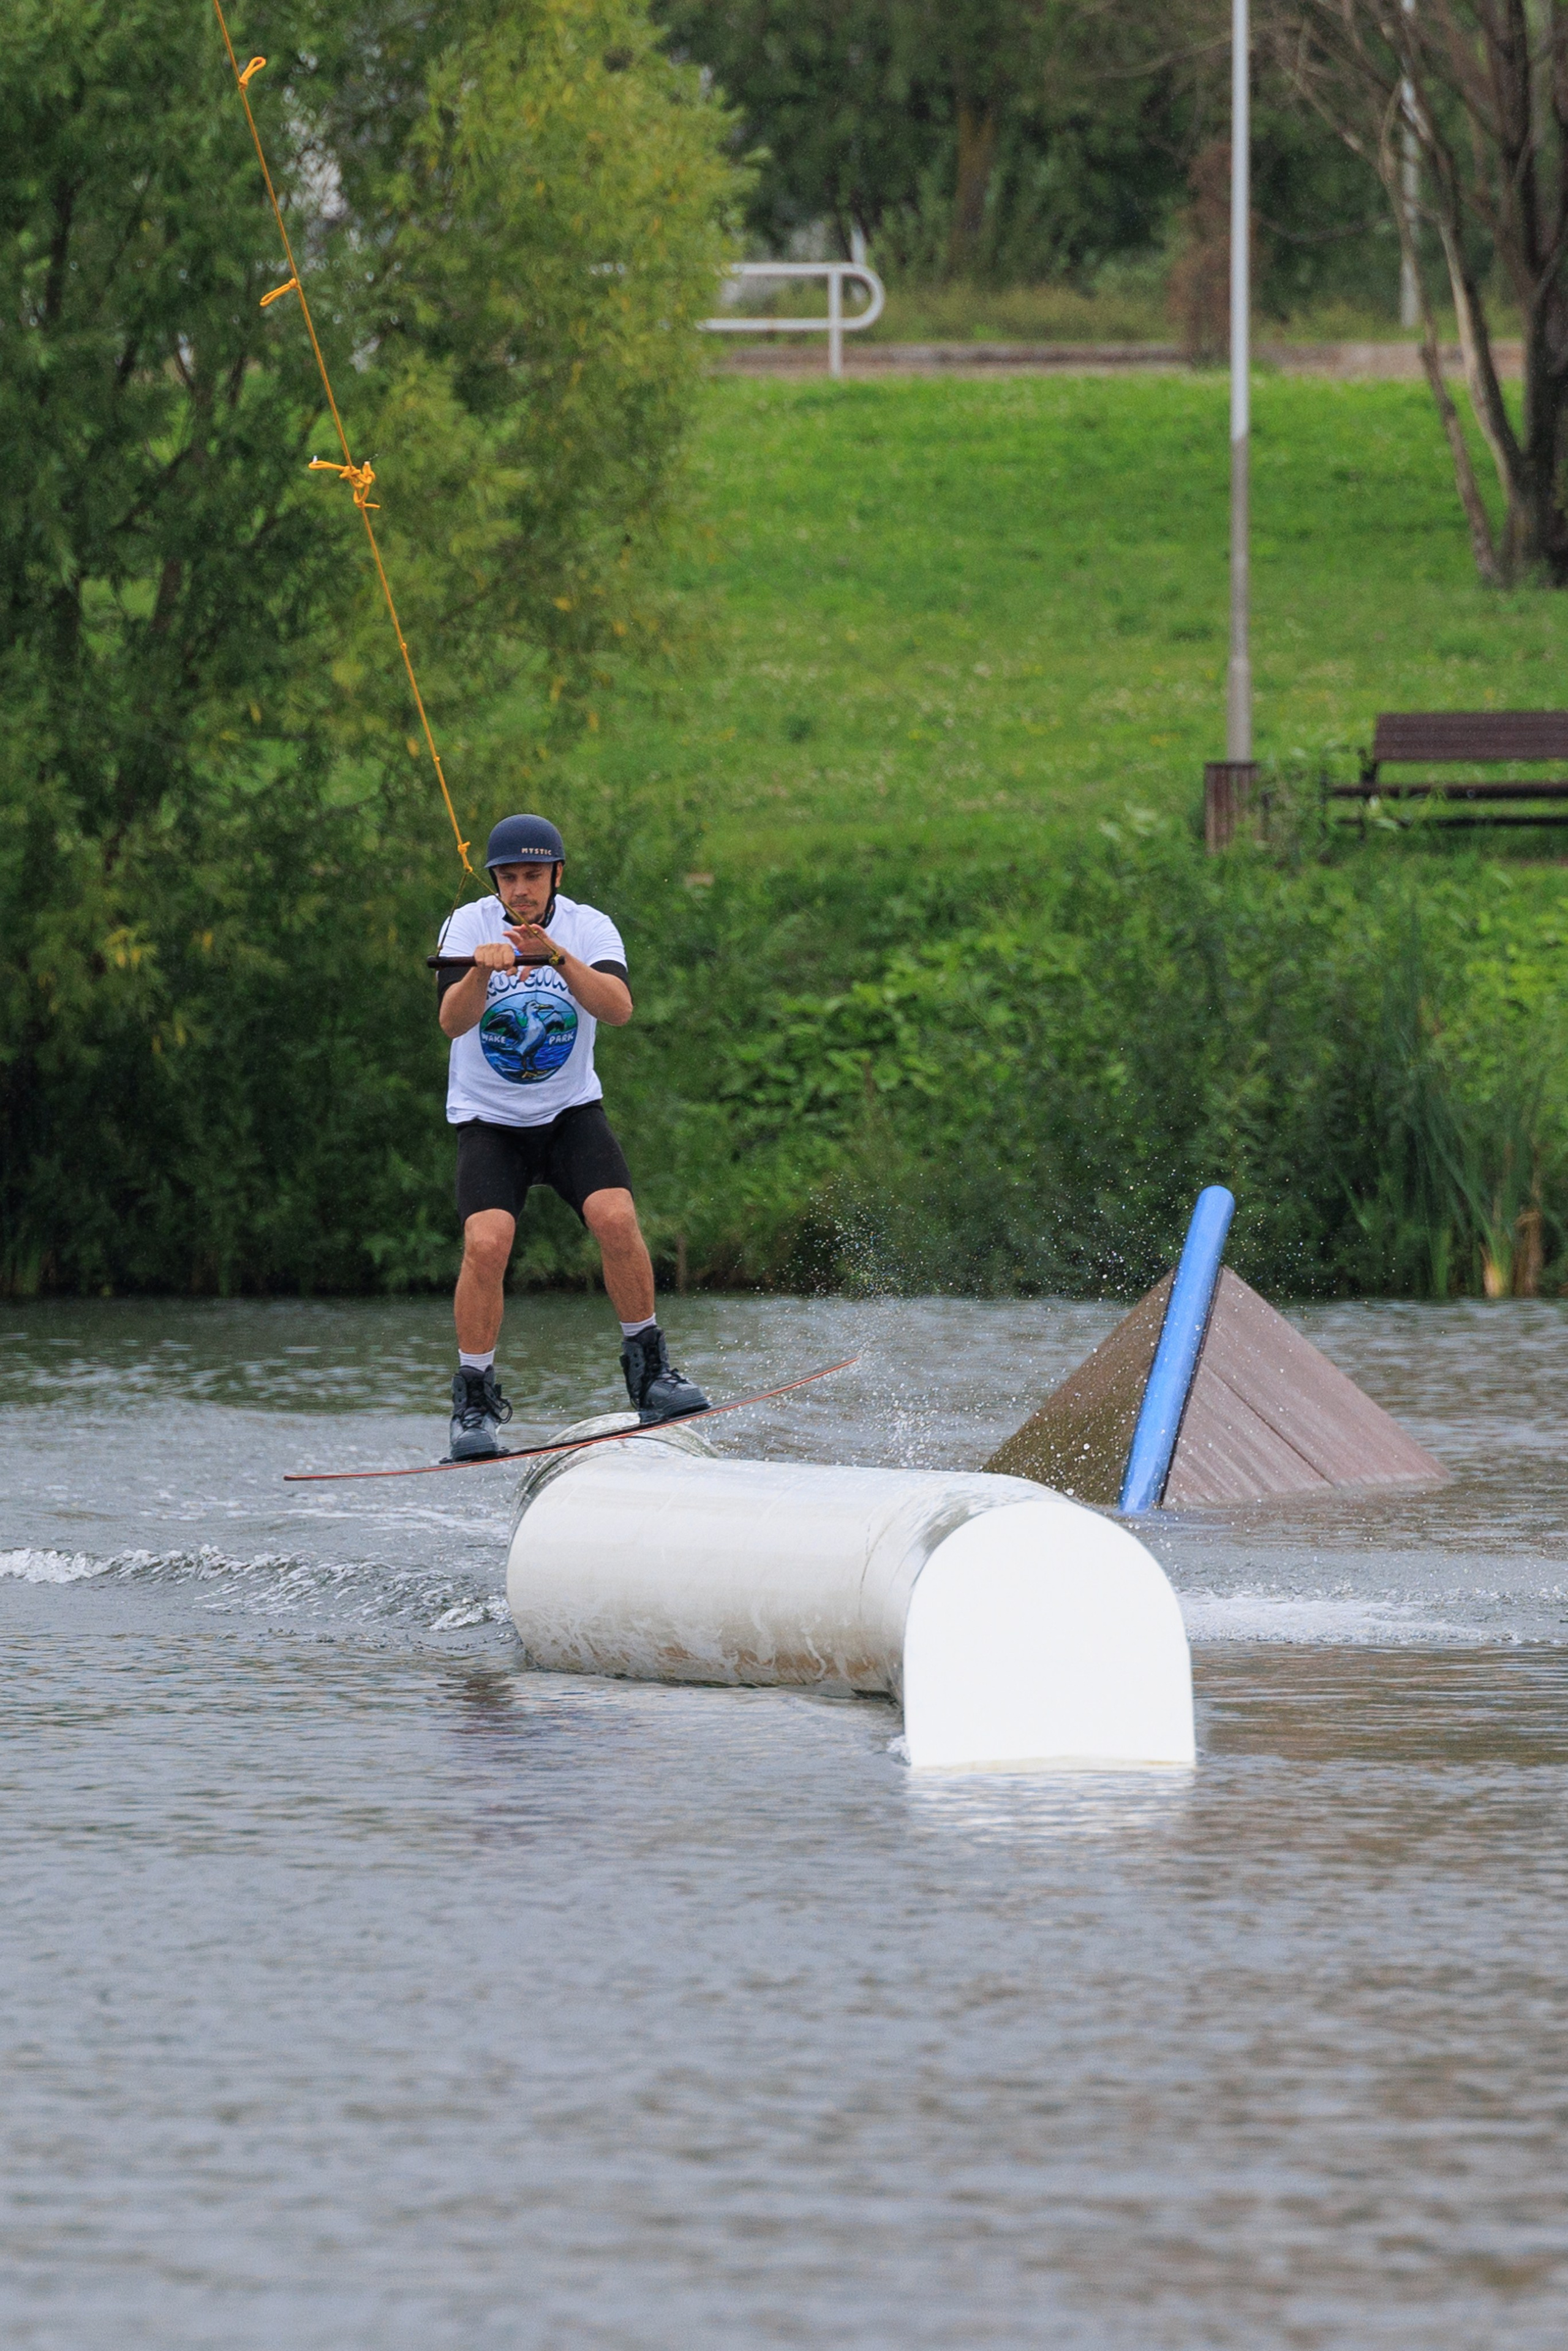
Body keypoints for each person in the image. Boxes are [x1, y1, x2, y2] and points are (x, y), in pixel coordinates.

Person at [434, 813, 709, 1459]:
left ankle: (651, 1371)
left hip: (569, 1115)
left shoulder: (590, 926)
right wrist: (481, 972)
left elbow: (619, 1007)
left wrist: (555, 956)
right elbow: (451, 1022)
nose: (520, 890)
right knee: (486, 1242)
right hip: (489, 1120)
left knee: (616, 1218)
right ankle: (474, 1402)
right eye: (508, 878)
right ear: (494, 881)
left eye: (533, 876)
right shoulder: (467, 925)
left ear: (556, 875)